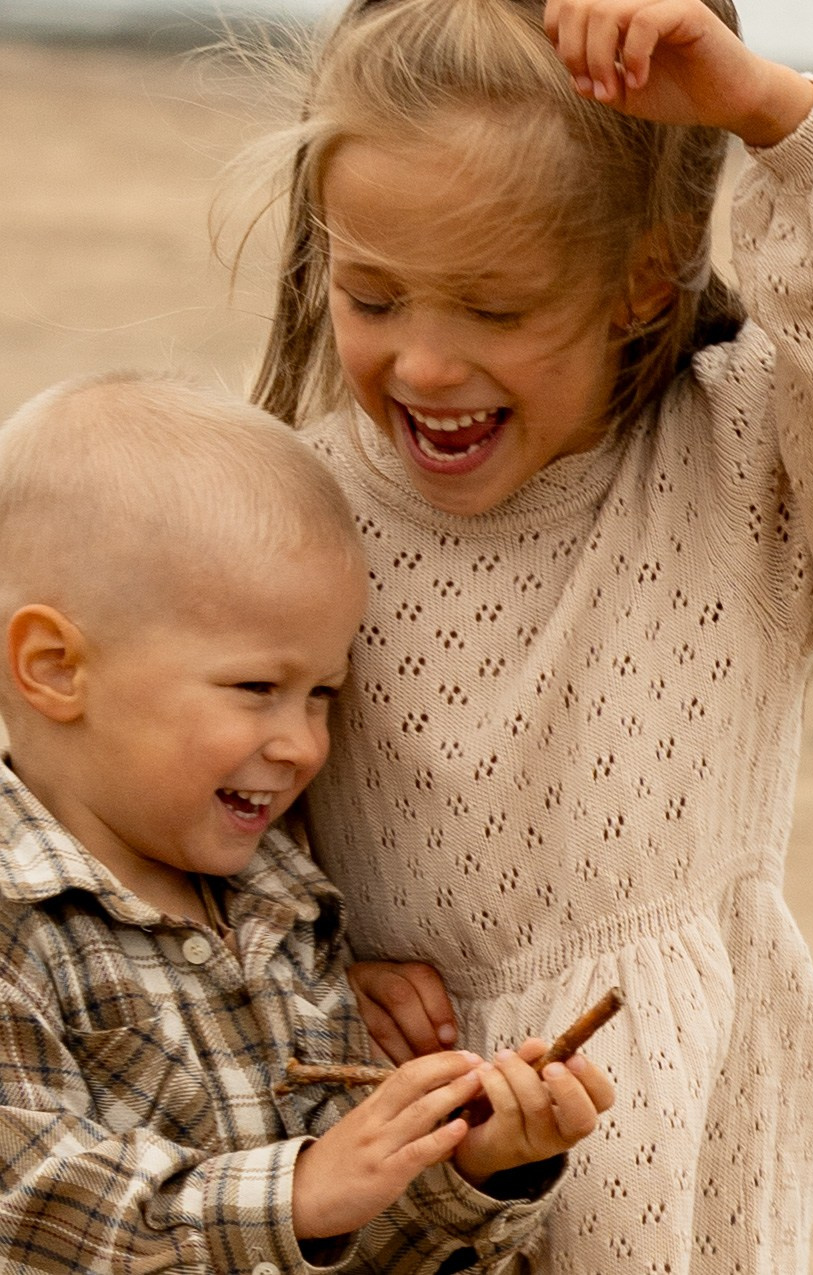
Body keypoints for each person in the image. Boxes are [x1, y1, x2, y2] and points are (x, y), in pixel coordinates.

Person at [229, 0, 813, 1269]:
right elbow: (169, 818)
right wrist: (310, 972)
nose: (423, 365)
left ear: (642, 278)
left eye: (494, 310)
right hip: (394, 1138)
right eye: (373, 296)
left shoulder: (741, 457)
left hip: (676, 1164)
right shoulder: (290, 508)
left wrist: (771, 116)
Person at [0, 370, 616, 1275]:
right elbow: (28, 1211)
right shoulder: (18, 922)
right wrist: (299, 1193)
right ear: (55, 666)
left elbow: (344, 1242)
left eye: (323, 693)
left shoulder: (284, 904)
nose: (302, 744)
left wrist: (466, 1169)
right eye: (257, 687)